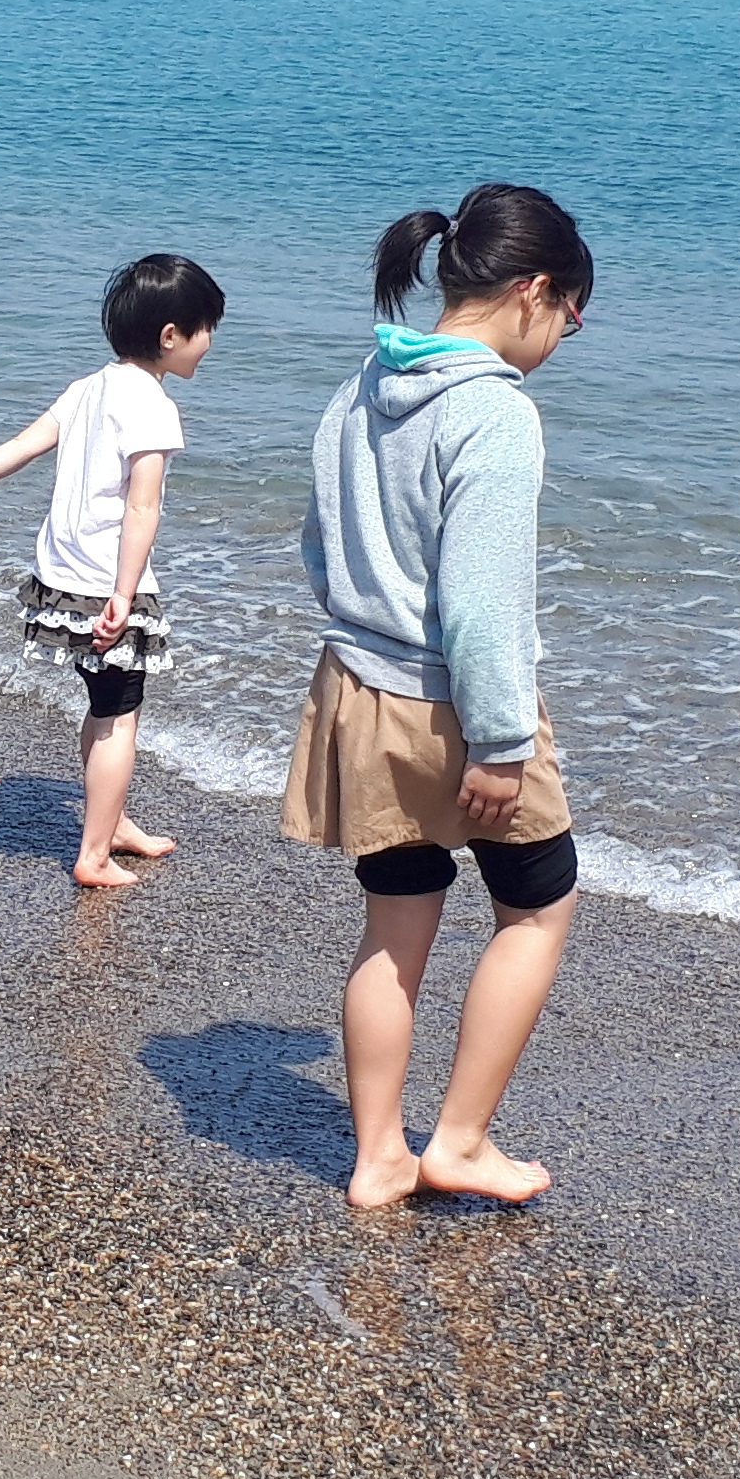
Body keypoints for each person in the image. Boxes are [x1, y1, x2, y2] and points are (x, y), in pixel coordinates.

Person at [283, 183, 595, 1210]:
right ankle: (458, 1140)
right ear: (533, 290)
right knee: (538, 908)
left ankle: (377, 1157)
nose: (564, 336)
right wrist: (501, 742)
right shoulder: (494, 413)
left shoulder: (364, 383)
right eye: (569, 315)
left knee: (396, 921)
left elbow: (319, 544)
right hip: (454, 705)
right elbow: (483, 603)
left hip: (357, 691)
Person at [0, 253, 225, 890]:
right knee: (119, 716)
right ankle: (93, 853)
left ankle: (112, 823)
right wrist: (124, 592)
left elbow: (20, 447)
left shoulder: (88, 388)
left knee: (104, 702)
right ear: (171, 335)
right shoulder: (154, 406)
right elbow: (143, 506)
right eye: (206, 328)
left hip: (60, 579)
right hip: (105, 584)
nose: (210, 342)